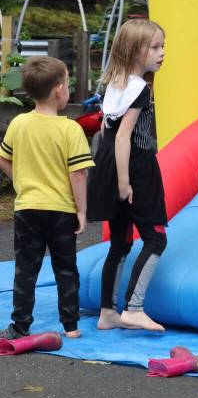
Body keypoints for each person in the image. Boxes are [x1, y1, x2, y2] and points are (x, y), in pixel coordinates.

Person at [0, 56, 93, 340]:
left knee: (26, 269)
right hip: (61, 211)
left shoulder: (19, 123)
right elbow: (78, 175)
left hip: (28, 208)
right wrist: (81, 210)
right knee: (65, 268)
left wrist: (23, 181)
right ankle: (71, 325)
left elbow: (4, 159)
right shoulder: (70, 129)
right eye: (67, 83)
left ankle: (19, 325)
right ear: (58, 90)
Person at [87, 19, 167, 332]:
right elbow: (123, 137)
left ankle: (107, 311)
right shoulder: (139, 90)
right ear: (135, 51)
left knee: (119, 242)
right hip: (133, 168)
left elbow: (109, 132)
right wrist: (125, 182)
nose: (162, 53)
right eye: (155, 47)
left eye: (163, 46)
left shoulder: (115, 84)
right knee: (156, 239)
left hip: (109, 163)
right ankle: (133, 308)